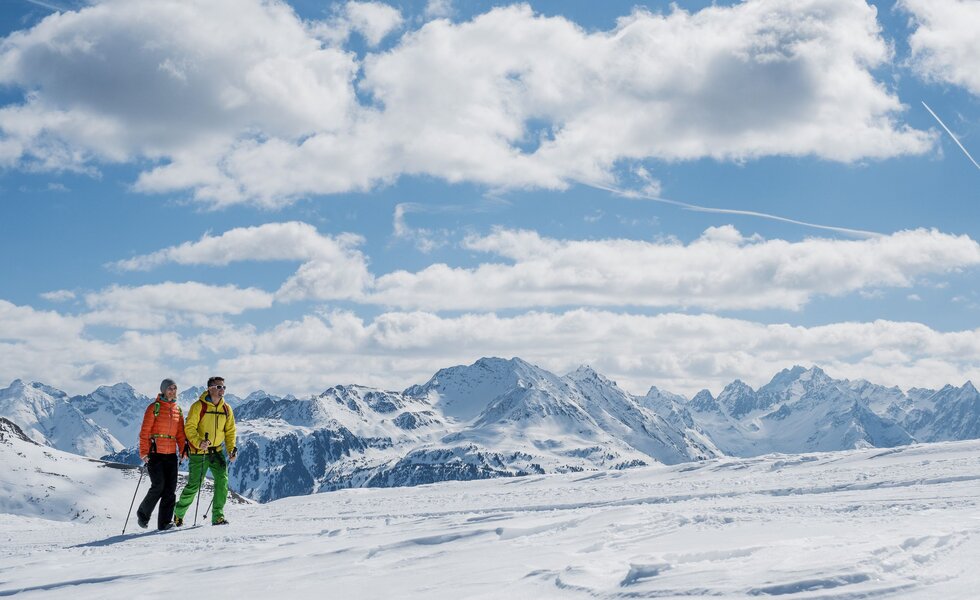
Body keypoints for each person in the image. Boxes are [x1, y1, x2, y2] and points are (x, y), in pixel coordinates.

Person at [173, 376, 237, 526]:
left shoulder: (226, 409)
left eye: (224, 387)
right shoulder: (198, 407)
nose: (222, 390)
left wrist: (231, 449)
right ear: (210, 389)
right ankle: (178, 513)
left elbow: (230, 431)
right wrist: (199, 442)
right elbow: (189, 428)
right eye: (219, 387)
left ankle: (218, 517)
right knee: (194, 485)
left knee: (222, 482)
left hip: (217, 451)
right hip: (199, 452)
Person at [136, 378, 187, 530]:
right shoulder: (154, 407)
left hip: (171, 454)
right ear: (163, 390)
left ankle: (165, 523)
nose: (173, 391)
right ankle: (143, 514)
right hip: (155, 453)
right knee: (158, 486)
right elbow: (145, 432)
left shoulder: (178, 410)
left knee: (170, 489)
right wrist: (144, 453)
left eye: (175, 388)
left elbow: (180, 434)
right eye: (170, 388)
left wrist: (183, 450)